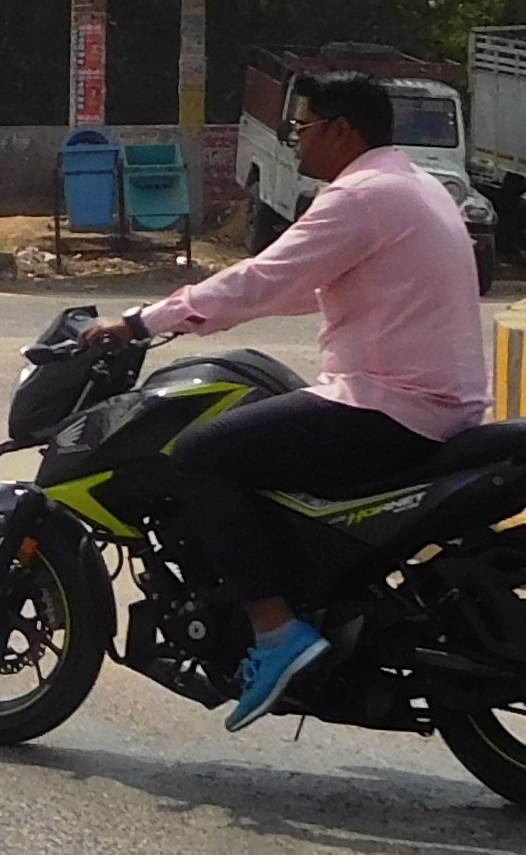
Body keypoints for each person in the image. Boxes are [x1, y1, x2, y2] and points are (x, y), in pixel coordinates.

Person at [83, 69, 490, 731]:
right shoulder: (413, 184)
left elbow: (262, 278)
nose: (295, 142)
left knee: (203, 452)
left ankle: (276, 633)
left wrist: (141, 321)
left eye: (302, 128)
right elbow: (300, 285)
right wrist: (206, 315)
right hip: (434, 403)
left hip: (392, 405)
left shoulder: (359, 196)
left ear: (341, 130)